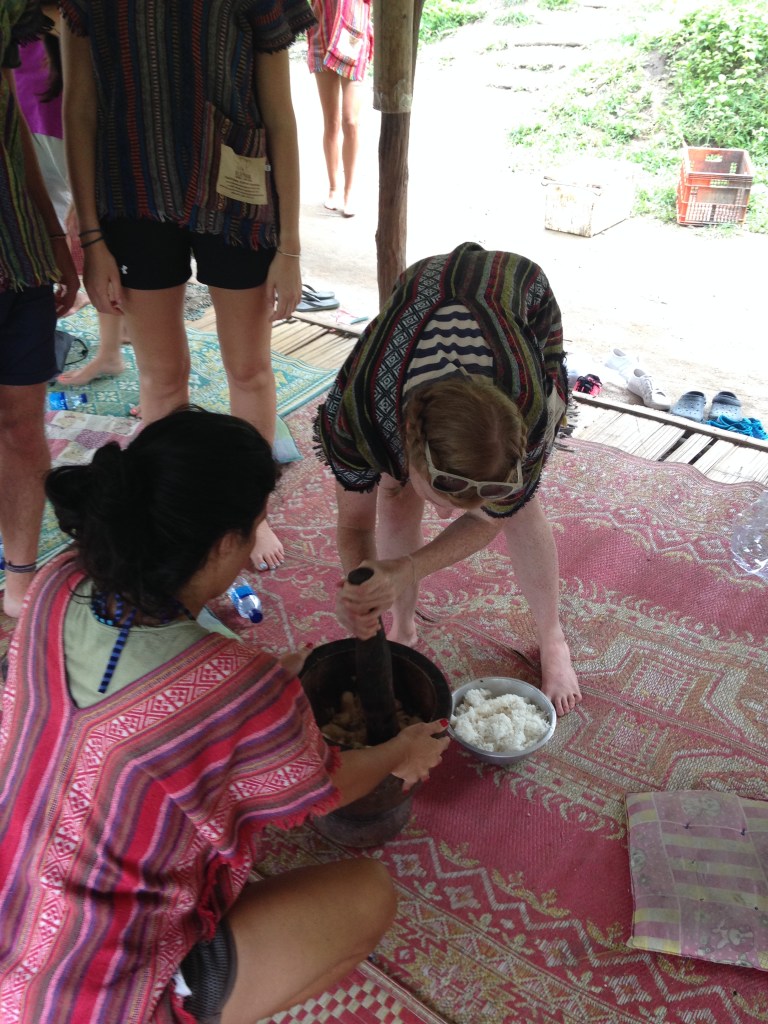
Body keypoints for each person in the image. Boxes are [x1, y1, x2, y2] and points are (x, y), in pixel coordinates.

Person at [0, 406, 449, 1023]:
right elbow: (327, 787)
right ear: (221, 545)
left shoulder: (60, 579)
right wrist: (404, 750)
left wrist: (247, 686)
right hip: (87, 998)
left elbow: (147, 692)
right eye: (256, 525)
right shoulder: (241, 686)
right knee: (368, 894)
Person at [60, 0, 314, 571]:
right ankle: (175, 506)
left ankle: (248, 514)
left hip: (239, 196)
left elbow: (280, 116)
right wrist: (93, 238)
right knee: (161, 375)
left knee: (248, 369)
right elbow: (80, 109)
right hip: (131, 193)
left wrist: (291, 246)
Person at [315, 242, 582, 717]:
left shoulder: (526, 404)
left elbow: (492, 517)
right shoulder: (359, 414)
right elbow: (355, 525)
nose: (446, 515)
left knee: (520, 509)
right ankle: (403, 628)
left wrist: (409, 566)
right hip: (420, 295)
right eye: (442, 498)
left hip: (520, 292)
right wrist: (363, 591)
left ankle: (552, 636)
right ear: (406, 451)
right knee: (394, 498)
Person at [0, 0, 79, 618]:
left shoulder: (9, 14)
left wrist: (54, 235)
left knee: (22, 423)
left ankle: (20, 571)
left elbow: (12, 125)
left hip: (14, 249)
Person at [14, 14, 129, 385]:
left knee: (106, 243)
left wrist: (84, 199)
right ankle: (104, 345)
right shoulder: (19, 21)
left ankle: (113, 352)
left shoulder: (75, 19)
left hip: (76, 136)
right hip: (28, 129)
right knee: (46, 236)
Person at [306, 0, 373, 218]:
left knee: (350, 121)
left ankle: (349, 191)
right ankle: (334, 188)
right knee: (331, 122)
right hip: (322, 35)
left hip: (353, 36)